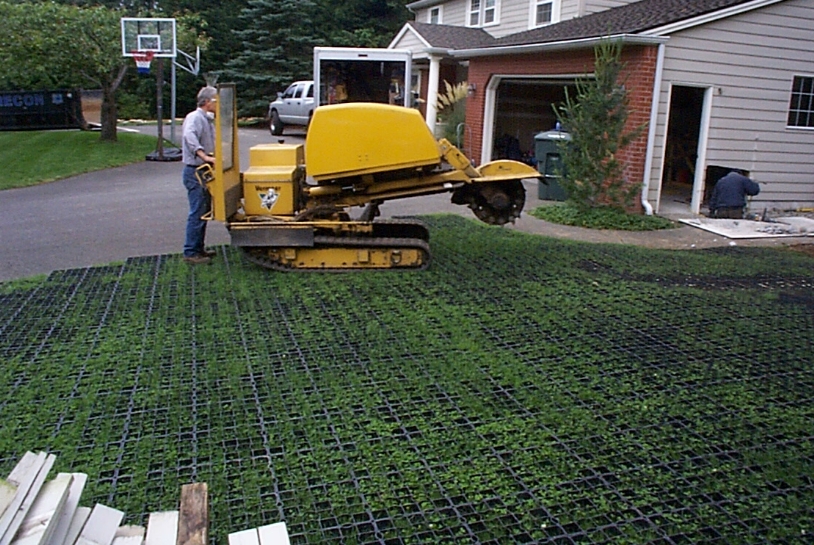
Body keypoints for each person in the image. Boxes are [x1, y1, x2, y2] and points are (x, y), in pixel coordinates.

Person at [181, 86, 218, 264]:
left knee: (203, 210)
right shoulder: (194, 118)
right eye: (216, 101)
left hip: (204, 170)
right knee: (197, 211)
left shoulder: (208, 120)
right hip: (195, 171)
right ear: (207, 102)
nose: (218, 105)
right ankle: (190, 252)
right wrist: (203, 155)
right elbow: (190, 136)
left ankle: (198, 248)